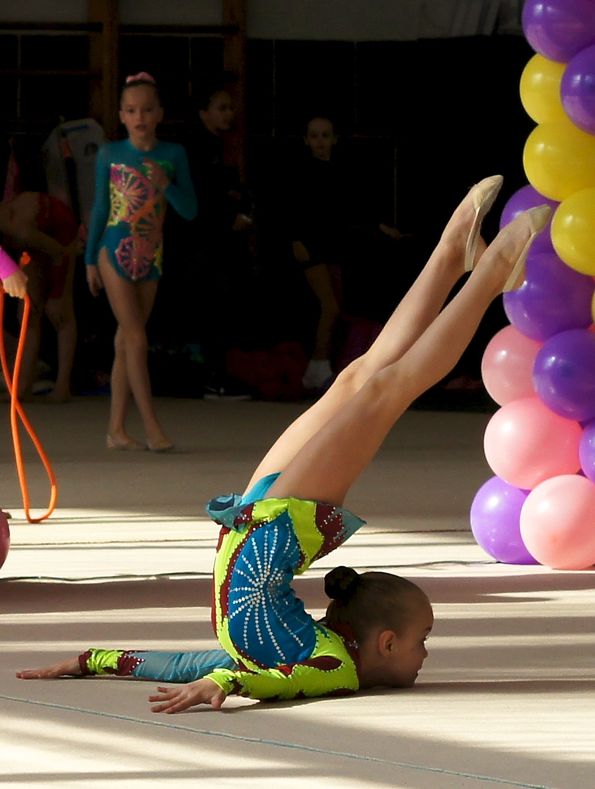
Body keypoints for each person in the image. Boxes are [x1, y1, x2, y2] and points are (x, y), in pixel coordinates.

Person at [16, 178, 552, 711]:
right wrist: (227, 684)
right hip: (277, 523)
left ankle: (458, 256)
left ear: (387, 644)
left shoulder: (270, 659)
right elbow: (281, 683)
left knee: (360, 379)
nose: (425, 655)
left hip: (258, 511)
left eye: (424, 640)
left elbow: (183, 665)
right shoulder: (332, 667)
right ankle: (484, 268)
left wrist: (92, 659)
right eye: (423, 641)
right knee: (383, 388)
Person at [84, 72, 197, 451]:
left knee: (125, 343)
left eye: (147, 110)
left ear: (160, 113)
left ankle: (116, 430)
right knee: (135, 337)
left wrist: (165, 185)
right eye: (131, 110)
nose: (140, 117)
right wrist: (90, 260)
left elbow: (190, 210)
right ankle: (152, 427)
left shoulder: (173, 154)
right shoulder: (110, 154)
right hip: (112, 251)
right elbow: (100, 209)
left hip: (151, 254)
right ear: (121, 115)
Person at [288, 115, 407, 392]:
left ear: (334, 139)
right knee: (329, 307)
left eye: (325, 135)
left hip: (332, 247)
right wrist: (296, 240)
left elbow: (351, 210)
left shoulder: (339, 172)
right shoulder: (302, 172)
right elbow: (292, 208)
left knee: (337, 309)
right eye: (314, 136)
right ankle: (317, 367)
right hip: (311, 247)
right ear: (306, 140)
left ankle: (324, 365)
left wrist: (379, 227)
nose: (320, 141)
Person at [181, 84, 255, 398]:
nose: (228, 114)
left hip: (218, 241)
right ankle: (212, 376)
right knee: (211, 306)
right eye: (221, 108)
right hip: (202, 243)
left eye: (230, 108)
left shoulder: (219, 146)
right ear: (204, 112)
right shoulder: (195, 149)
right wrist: (229, 217)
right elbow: (201, 199)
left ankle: (219, 372)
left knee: (222, 306)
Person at [0, 193, 79, 402]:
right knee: (27, 314)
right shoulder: (11, 229)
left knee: (59, 312)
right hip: (33, 241)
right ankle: (22, 386)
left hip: (61, 235)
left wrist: (56, 292)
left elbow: (59, 253)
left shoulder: (20, 231)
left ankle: (62, 386)